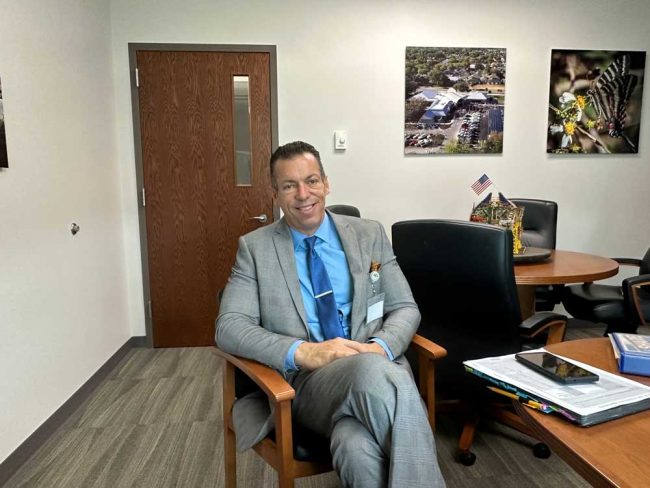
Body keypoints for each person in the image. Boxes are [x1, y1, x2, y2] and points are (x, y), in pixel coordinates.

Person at [215, 141, 445, 487]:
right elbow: (229, 327)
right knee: (382, 375)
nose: (303, 194)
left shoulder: (369, 235)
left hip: (374, 367)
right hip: (308, 385)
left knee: (354, 446)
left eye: (311, 181)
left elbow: (403, 307)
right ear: (275, 193)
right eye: (289, 185)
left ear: (326, 183)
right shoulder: (255, 248)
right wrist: (303, 352)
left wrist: (378, 347)